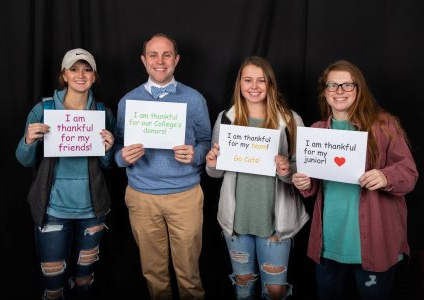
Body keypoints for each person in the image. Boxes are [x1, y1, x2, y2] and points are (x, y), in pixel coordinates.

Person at [292, 60, 418, 300]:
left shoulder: (384, 125)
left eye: (347, 85)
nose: (340, 91)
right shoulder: (316, 131)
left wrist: (385, 175)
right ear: (325, 92)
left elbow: (409, 174)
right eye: (333, 85)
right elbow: (314, 184)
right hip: (329, 244)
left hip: (375, 243)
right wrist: (305, 184)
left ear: (359, 89)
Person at [114, 33, 211, 300]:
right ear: (144, 61)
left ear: (176, 60)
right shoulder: (127, 102)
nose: (160, 61)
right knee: (154, 275)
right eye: (153, 55)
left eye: (167, 55)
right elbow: (116, 148)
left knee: (189, 275)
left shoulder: (194, 99)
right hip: (142, 197)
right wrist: (123, 157)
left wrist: (196, 155)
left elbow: (206, 142)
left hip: (185, 196)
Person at [205, 56, 309, 300]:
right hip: (237, 219)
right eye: (248, 80)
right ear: (239, 84)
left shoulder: (291, 120)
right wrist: (211, 163)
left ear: (271, 84)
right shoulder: (226, 119)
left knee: (274, 291)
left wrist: (286, 171)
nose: (254, 86)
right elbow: (215, 173)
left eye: (261, 81)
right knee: (243, 285)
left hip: (275, 221)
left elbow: (300, 175)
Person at [16, 48, 116, 300]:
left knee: (84, 281)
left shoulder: (102, 113)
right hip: (53, 210)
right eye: (74, 69)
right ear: (64, 75)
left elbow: (107, 165)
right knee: (53, 286)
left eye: (87, 69)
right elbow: (24, 159)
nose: (80, 75)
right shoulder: (44, 109)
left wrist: (108, 149)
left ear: (94, 76)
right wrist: (28, 140)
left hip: (92, 211)